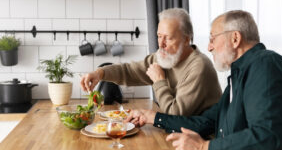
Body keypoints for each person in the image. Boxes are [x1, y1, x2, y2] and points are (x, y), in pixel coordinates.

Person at [126, 10, 282, 150]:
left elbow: (266, 135)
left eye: (212, 38)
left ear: (235, 38)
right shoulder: (239, 75)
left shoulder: (266, 65)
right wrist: (153, 117)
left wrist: (204, 148)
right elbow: (205, 122)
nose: (209, 47)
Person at [81, 8, 221, 116]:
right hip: (180, 134)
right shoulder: (165, 57)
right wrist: (100, 73)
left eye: (168, 38)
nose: (161, 44)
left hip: (203, 141)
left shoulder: (199, 67)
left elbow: (175, 113)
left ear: (186, 39)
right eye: (159, 36)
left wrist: (159, 81)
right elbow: (130, 71)